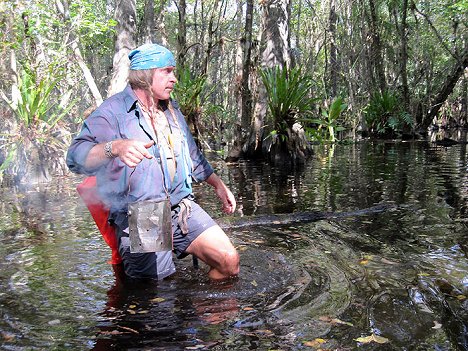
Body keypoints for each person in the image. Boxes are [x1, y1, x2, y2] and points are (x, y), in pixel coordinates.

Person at [67, 43, 239, 281]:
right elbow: (75, 158)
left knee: (228, 261)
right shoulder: (112, 112)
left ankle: (197, 314)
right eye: (167, 71)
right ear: (146, 74)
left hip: (181, 206)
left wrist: (218, 185)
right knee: (157, 297)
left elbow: (192, 155)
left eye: (173, 71)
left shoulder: (171, 110)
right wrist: (114, 147)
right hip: (144, 214)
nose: (174, 78)